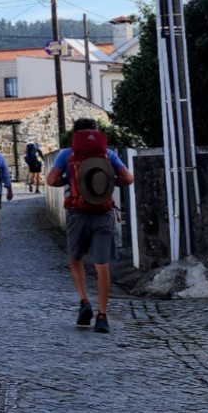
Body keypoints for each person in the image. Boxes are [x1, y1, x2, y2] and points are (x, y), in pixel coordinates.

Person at [46, 118, 135, 334]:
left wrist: (70, 180)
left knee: (75, 259)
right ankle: (102, 316)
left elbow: (50, 180)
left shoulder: (66, 154)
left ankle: (84, 300)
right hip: (103, 212)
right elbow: (128, 178)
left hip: (77, 213)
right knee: (102, 264)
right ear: (96, 133)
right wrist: (108, 182)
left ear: (74, 134)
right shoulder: (108, 154)